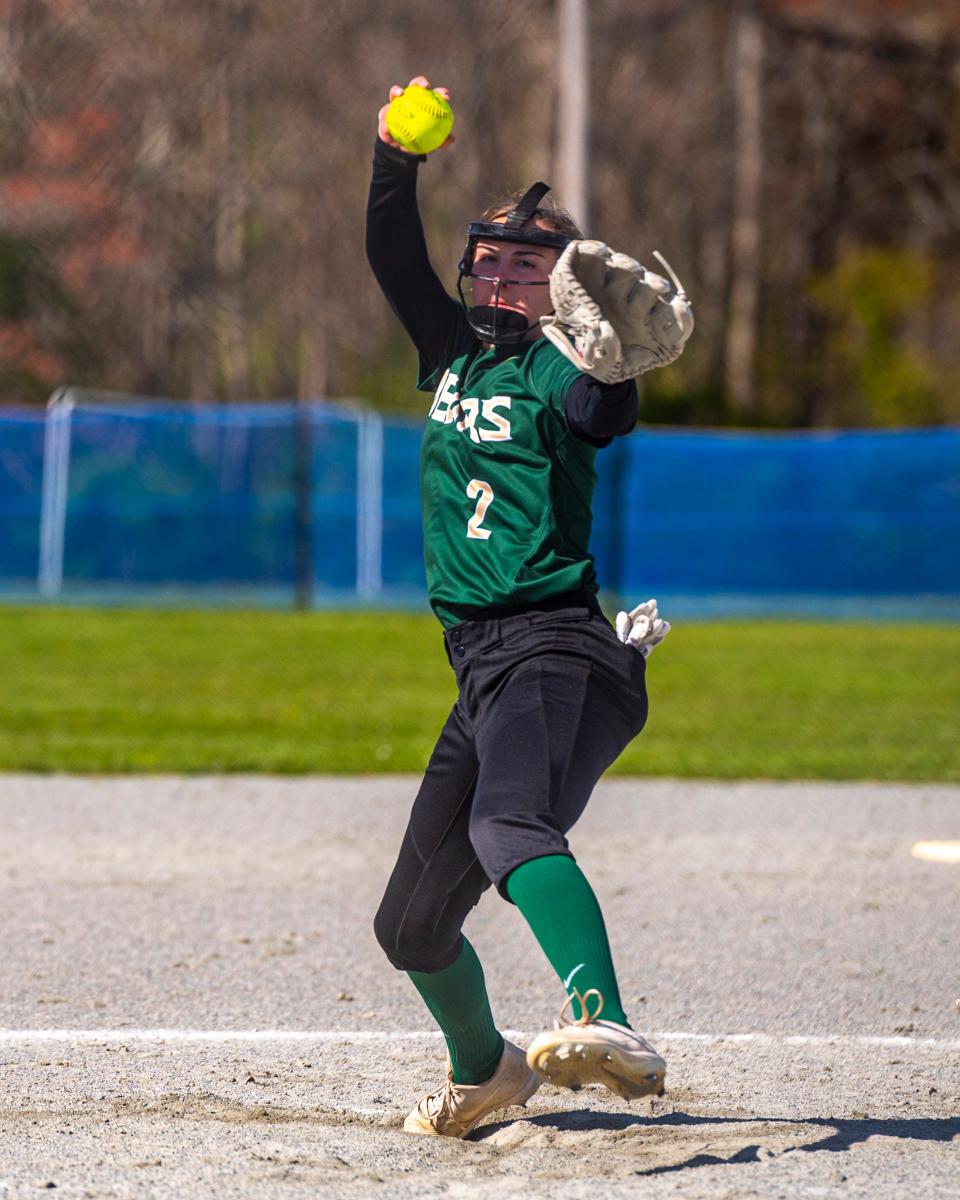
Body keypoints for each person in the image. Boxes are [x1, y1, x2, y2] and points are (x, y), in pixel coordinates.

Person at [367, 75, 669, 1140]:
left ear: (565, 285)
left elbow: (602, 404)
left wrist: (608, 358)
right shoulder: (451, 355)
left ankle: (607, 1019)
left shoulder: (561, 368)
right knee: (409, 925)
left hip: (554, 644)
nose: (498, 273)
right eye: (488, 257)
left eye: (525, 262)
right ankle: (488, 1068)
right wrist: (395, 159)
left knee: (509, 824)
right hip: (480, 663)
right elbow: (392, 257)